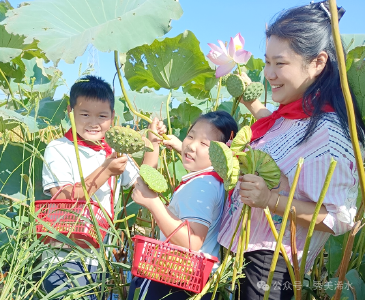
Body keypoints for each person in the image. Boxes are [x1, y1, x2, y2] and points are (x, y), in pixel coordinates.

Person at [217, 1, 365, 299]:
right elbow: (285, 137)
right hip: (249, 257)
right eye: (266, 62)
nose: (269, 73)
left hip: (274, 268)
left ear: (318, 62)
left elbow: (340, 217)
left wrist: (270, 199)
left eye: (280, 63)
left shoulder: (331, 135)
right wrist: (251, 100)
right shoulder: (296, 115)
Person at [41, 75, 166, 298]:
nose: (94, 122)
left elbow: (143, 182)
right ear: (70, 111)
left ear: (113, 117)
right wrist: (106, 170)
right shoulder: (59, 148)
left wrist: (153, 143)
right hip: (64, 256)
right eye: (85, 114)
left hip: (99, 257)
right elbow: (64, 195)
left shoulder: (114, 149)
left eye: (102, 116)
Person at [129, 111, 238, 300]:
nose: (192, 145)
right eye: (190, 136)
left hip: (174, 282)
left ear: (221, 152)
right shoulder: (214, 180)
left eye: (204, 143)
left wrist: (153, 203)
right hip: (193, 282)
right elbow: (149, 177)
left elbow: (192, 242)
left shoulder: (201, 186)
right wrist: (154, 143)